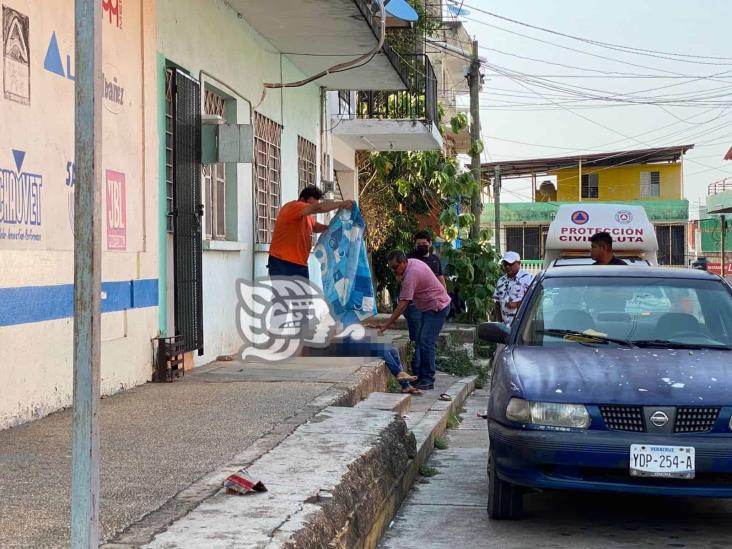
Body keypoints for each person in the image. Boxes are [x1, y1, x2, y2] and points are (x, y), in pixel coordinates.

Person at [379, 250, 452, 390]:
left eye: (395, 267)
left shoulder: (412, 274)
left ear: (403, 262)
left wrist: (385, 325)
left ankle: (427, 379)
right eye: (391, 268)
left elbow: (403, 304)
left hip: (437, 307)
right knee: (420, 341)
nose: (393, 271)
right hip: (427, 307)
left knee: (426, 342)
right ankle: (422, 376)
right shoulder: (410, 266)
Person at [268, 186, 354, 279]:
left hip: (300, 264)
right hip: (283, 262)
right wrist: (341, 204)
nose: (312, 208)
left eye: (314, 205)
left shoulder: (307, 216)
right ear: (302, 199)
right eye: (311, 205)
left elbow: (315, 227)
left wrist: (330, 228)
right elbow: (318, 208)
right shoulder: (293, 207)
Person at [404, 231, 447, 377]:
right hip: (414, 303)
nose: (422, 246)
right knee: (416, 338)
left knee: (427, 340)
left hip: (433, 304)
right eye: (418, 244)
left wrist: (444, 296)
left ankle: (426, 374)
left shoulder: (435, 260)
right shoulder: (409, 259)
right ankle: (417, 371)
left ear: (429, 243)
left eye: (424, 244)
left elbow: (440, 278)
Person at [493, 251, 534, 328]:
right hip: (504, 327)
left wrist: (517, 304)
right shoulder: (501, 281)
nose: (507, 267)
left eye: (511, 264)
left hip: (522, 328)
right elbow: (497, 303)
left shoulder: (528, 279)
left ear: (519, 263)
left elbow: (534, 301)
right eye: (505, 264)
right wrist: (499, 322)